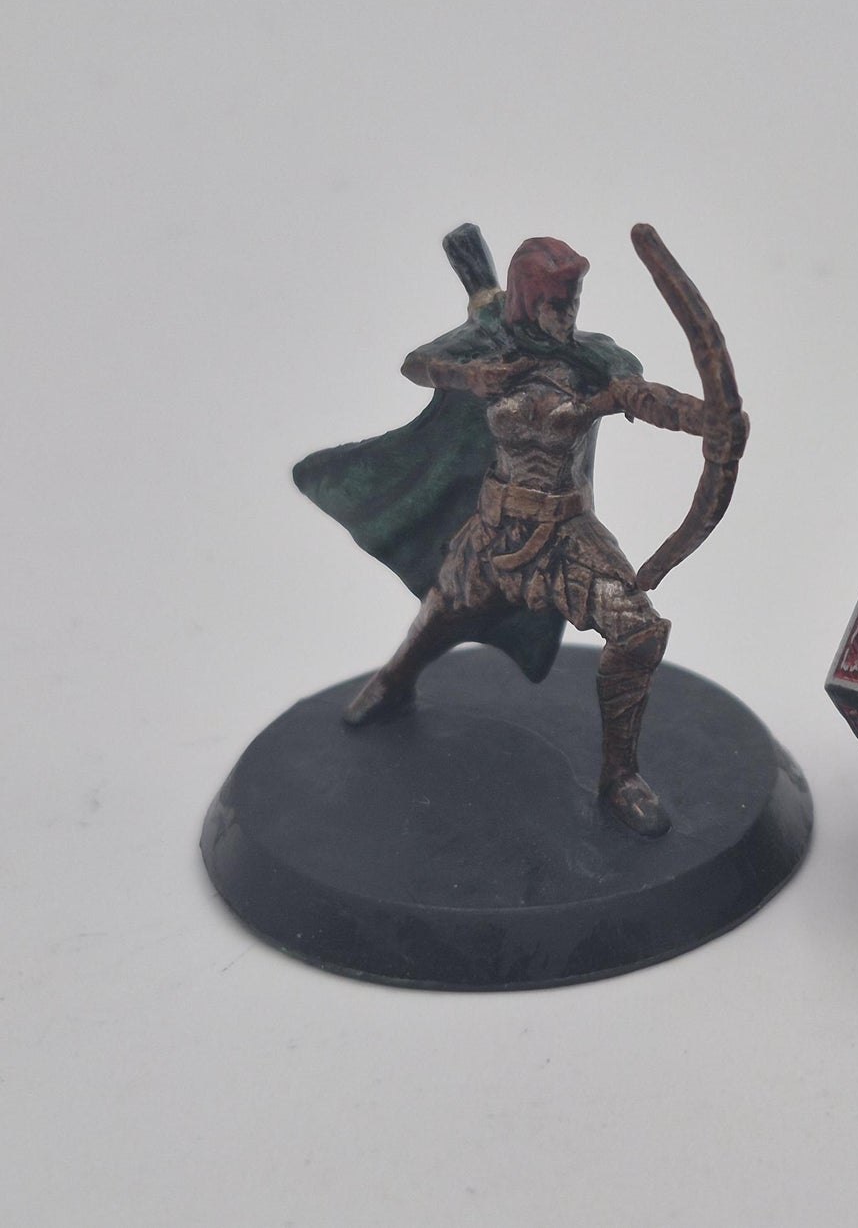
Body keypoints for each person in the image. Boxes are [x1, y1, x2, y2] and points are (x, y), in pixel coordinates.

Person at [293, 236, 741, 837]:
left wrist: (708, 420)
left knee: (637, 632)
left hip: (566, 536)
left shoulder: (596, 362)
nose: (569, 311)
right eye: (557, 299)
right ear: (529, 299)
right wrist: (473, 376)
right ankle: (394, 682)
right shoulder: (493, 345)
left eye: (574, 297)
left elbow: (641, 396)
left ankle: (620, 777)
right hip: (494, 526)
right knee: (444, 609)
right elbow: (417, 364)